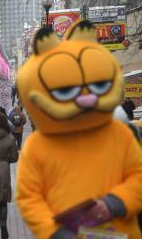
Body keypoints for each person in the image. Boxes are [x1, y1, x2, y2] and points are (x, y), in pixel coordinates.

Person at [15, 21, 142, 238]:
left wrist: (115, 202)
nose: (86, 99)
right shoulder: (37, 147)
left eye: (99, 86)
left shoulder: (120, 135)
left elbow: (138, 176)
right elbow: (29, 198)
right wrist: (55, 232)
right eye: (65, 91)